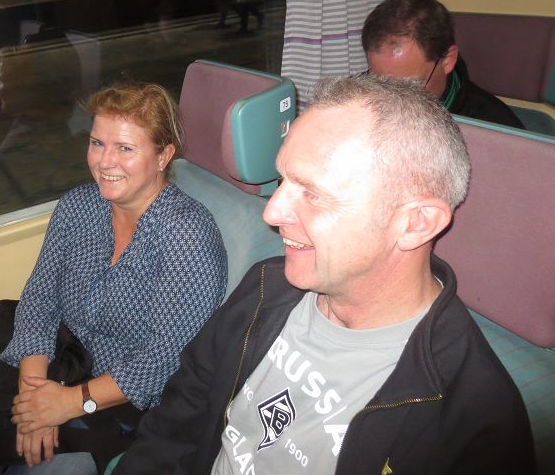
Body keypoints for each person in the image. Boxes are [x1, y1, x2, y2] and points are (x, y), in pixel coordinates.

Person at [115, 75, 535, 474]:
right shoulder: (266, 287)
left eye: (313, 193)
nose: (272, 212)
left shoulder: (475, 418)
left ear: (416, 223)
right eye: (283, 180)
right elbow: (176, 424)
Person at [0, 82, 227, 475]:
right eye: (97, 143)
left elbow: (162, 359)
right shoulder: (78, 206)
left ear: (164, 155)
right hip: (58, 364)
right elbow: (39, 298)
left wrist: (69, 403)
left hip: (122, 401)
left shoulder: (187, 235)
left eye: (125, 148)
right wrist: (35, 397)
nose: (104, 161)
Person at [361, 0, 525, 129]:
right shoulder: (356, 97)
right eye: (379, 83)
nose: (391, 100)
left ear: (448, 60)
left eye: (409, 87)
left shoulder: (495, 129)